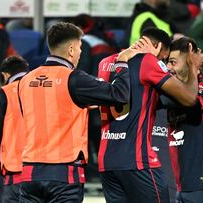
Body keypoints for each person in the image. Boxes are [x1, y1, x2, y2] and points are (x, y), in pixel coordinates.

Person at [17, 22, 132, 202]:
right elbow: (119, 95)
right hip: (64, 172)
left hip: (30, 172)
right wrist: (123, 63)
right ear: (71, 49)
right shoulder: (74, 78)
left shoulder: (26, 80)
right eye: (79, 48)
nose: (80, 53)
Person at [98, 28, 202, 203]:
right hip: (137, 161)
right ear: (157, 47)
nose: (164, 63)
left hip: (107, 162)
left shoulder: (105, 62)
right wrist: (192, 65)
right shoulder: (146, 61)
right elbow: (189, 98)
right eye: (164, 58)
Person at [163, 37, 203, 202]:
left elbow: (190, 100)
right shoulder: (171, 91)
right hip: (181, 187)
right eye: (167, 62)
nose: (168, 68)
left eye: (173, 62)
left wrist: (193, 66)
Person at [0, 56, 28, 202]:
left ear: (5, 75)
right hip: (45, 170)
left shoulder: (3, 94)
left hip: (15, 170)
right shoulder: (44, 90)